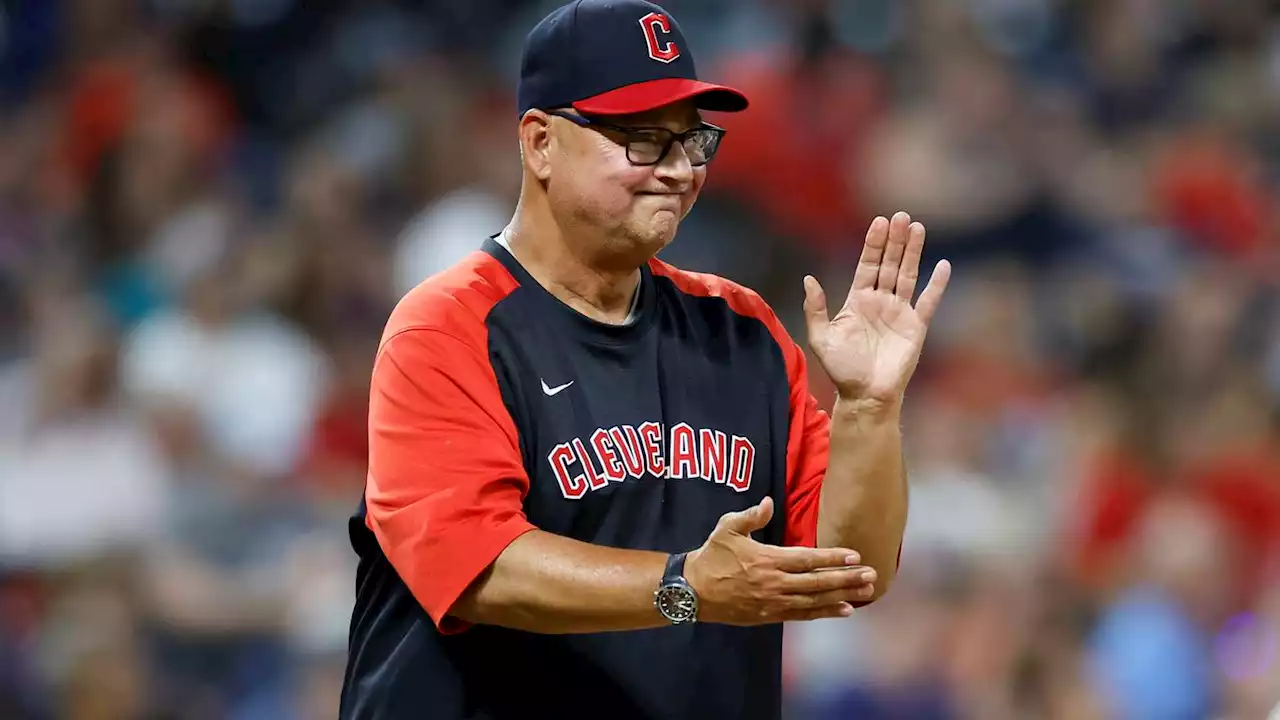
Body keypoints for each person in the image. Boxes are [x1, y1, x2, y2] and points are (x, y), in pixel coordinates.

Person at [339, 1, 951, 718]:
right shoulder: (447, 329)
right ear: (540, 144)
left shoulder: (740, 330)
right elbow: (480, 568)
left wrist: (869, 412)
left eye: (689, 141)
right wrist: (686, 584)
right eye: (639, 139)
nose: (676, 170)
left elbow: (852, 571)